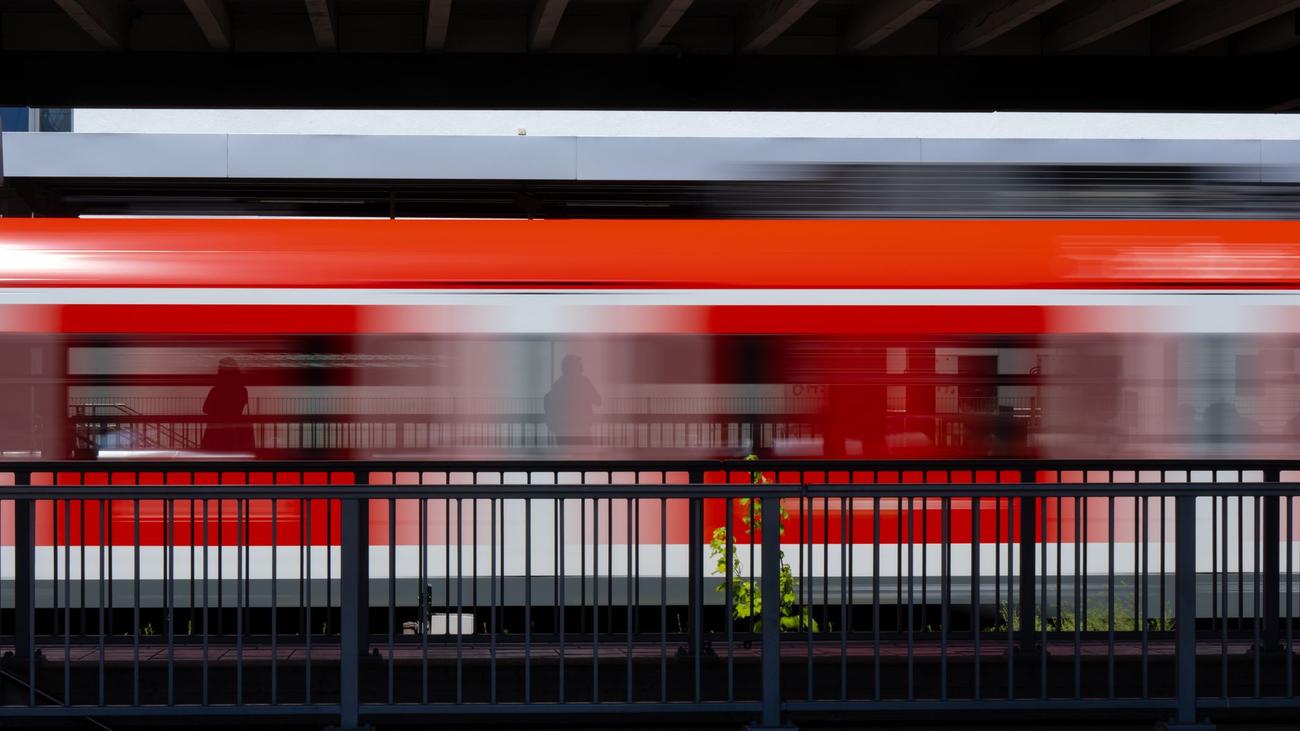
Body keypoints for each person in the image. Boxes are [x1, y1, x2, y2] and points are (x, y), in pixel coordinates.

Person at [544, 354, 601, 446]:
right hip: (582, 430)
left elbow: (547, 400)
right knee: (586, 455)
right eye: (579, 366)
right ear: (575, 368)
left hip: (563, 431)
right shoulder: (584, 383)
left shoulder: (558, 385)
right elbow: (598, 400)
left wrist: (554, 425)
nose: (581, 368)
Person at [201, 358, 256, 452]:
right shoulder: (242, 390)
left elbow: (205, 409)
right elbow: (240, 409)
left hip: (216, 431)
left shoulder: (216, 390)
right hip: (235, 432)